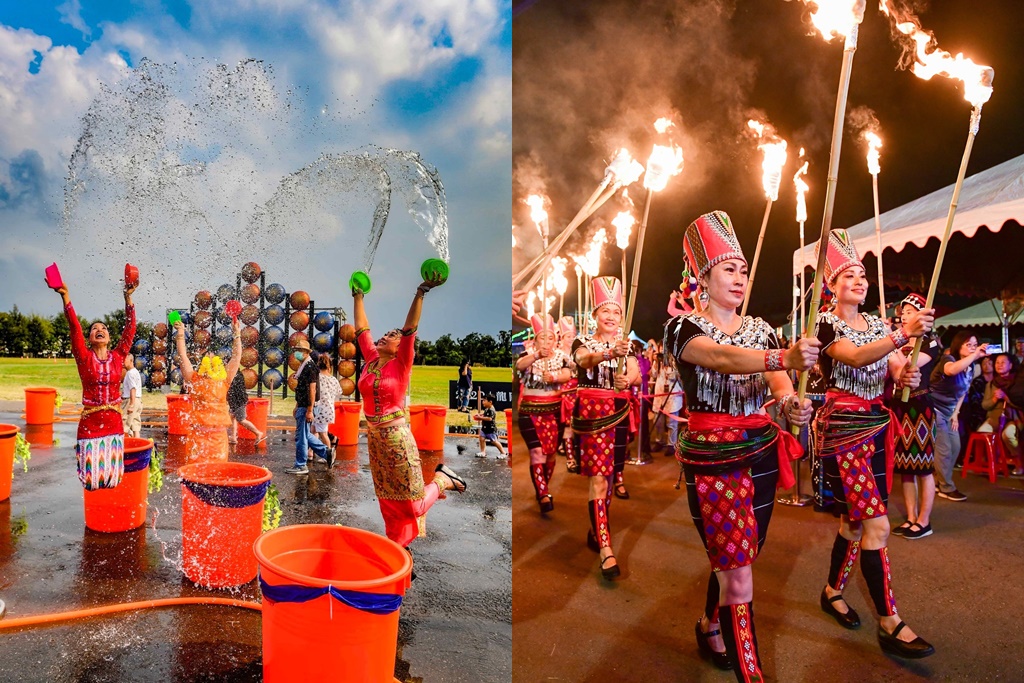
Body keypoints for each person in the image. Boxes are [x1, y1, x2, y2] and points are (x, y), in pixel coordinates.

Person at [664, 211, 818, 680]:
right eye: (728, 269)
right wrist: (783, 356)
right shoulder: (682, 328)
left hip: (762, 454)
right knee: (738, 569)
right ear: (703, 278)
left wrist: (792, 403)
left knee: (742, 556)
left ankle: (710, 622)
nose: (739, 278)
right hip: (712, 457)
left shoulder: (762, 328)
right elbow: (719, 357)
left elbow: (777, 382)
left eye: (744, 270)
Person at [811, 230, 935, 659]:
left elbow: (898, 370)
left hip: (876, 428)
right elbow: (858, 357)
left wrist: (907, 374)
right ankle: (890, 622)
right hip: (844, 430)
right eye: (849, 275)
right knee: (878, 524)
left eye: (862, 274)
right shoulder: (826, 322)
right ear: (832, 285)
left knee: (853, 523)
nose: (859, 281)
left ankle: (831, 592)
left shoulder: (880, 326)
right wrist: (902, 335)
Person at [352, 273, 465, 550]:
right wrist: (358, 296)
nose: (384, 336)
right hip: (376, 442)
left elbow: (410, 327)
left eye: (391, 336)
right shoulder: (370, 361)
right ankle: (398, 548)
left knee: (413, 504)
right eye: (385, 334)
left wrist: (421, 291)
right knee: (388, 499)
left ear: (400, 347)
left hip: (397, 439)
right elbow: (361, 329)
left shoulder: (401, 364)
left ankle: (443, 481)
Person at [570, 275, 639, 581]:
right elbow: (583, 361)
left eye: (616, 312)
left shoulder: (628, 345)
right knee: (598, 480)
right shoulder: (583, 341)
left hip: (621, 413)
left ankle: (595, 529)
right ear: (595, 314)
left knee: (610, 478)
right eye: (605, 311)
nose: (611, 317)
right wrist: (610, 353)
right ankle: (606, 549)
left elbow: (634, 372)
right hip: (595, 414)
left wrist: (629, 379)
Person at [51, 276, 137, 490]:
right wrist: (66, 297)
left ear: (108, 337)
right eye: (94, 328)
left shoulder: (118, 356)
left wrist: (128, 298)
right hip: (90, 424)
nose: (100, 329)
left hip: (114, 423)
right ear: (89, 338)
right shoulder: (84, 357)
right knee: (91, 481)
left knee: (114, 480)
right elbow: (74, 327)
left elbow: (130, 330)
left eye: (104, 328)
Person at [888, 294, 943, 540]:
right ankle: (911, 517)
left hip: (920, 407)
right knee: (905, 467)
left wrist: (890, 344)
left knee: (923, 466)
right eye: (904, 312)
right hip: (899, 407)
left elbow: (909, 367)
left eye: (910, 311)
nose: (904, 316)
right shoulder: (899, 343)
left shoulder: (930, 343)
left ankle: (924, 520)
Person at [515, 313, 572, 512]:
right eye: (542, 337)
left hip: (554, 412)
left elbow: (568, 373)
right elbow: (519, 366)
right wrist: (537, 355)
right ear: (536, 338)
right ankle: (543, 494)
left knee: (550, 455)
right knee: (537, 452)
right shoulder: (528, 354)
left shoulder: (561, 356)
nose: (547, 341)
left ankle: (543, 486)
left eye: (550, 337)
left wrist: (555, 376)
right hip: (530, 412)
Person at [927, 330, 987, 509]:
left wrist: (955, 413)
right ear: (958, 345)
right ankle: (946, 487)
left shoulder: (971, 368)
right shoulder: (949, 359)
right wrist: (975, 355)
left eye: (975, 345)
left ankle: (939, 480)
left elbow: (962, 392)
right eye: (968, 344)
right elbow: (951, 371)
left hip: (949, 412)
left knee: (956, 447)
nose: (973, 348)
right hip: (934, 408)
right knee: (944, 450)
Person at [173, 318, 242, 462]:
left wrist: (237, 334)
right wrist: (180, 333)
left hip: (218, 439)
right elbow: (182, 355)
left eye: (213, 356)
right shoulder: (194, 379)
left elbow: (236, 357)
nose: (210, 357)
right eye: (207, 356)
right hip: (197, 438)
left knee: (218, 476)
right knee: (195, 475)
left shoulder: (224, 381)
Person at [977, 353, 1022, 477]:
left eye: (1003, 362)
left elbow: (1020, 403)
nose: (999, 365)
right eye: (997, 362)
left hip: (1012, 418)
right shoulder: (991, 384)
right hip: (994, 418)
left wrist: (1006, 398)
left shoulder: (1017, 384)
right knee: (982, 432)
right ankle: (993, 462)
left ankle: (1018, 462)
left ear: (1011, 365)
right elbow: (984, 405)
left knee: (1007, 435)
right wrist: (994, 399)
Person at [285, 339, 327, 474]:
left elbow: (312, 390)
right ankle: (327, 452)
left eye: (298, 351)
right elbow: (302, 389)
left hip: (307, 407)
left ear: (305, 352)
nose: (295, 353)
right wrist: (297, 405)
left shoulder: (310, 367)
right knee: (303, 434)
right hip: (302, 405)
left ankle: (301, 465)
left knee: (301, 437)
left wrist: (309, 410)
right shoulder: (304, 366)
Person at [312, 353, 342, 466]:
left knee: (322, 433)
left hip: (319, 409)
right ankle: (312, 452)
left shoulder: (317, 378)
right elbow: (339, 392)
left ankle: (329, 455)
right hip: (328, 409)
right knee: (314, 430)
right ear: (329, 366)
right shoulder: (333, 379)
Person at [227, 368, 264, 446]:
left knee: (241, 420)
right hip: (236, 400)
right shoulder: (237, 374)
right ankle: (233, 437)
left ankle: (258, 433)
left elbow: (232, 388)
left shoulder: (233, 375)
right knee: (232, 416)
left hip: (238, 400)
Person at [474, 393, 507, 459]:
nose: (483, 402)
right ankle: (483, 452)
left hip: (491, 429)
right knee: (481, 438)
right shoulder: (487, 409)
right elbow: (485, 415)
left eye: (484, 401)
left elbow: (489, 418)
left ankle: (503, 452)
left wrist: (480, 418)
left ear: (490, 402)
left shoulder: (491, 410)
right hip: (485, 428)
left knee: (494, 441)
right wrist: (480, 415)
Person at [121, 353, 142, 439]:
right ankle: (137, 443)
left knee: (124, 423)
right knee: (135, 424)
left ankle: (123, 445)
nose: (123, 362)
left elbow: (133, 389)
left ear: (131, 361)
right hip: (138, 399)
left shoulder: (130, 374)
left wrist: (131, 405)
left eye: (125, 360)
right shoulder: (135, 372)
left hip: (131, 400)